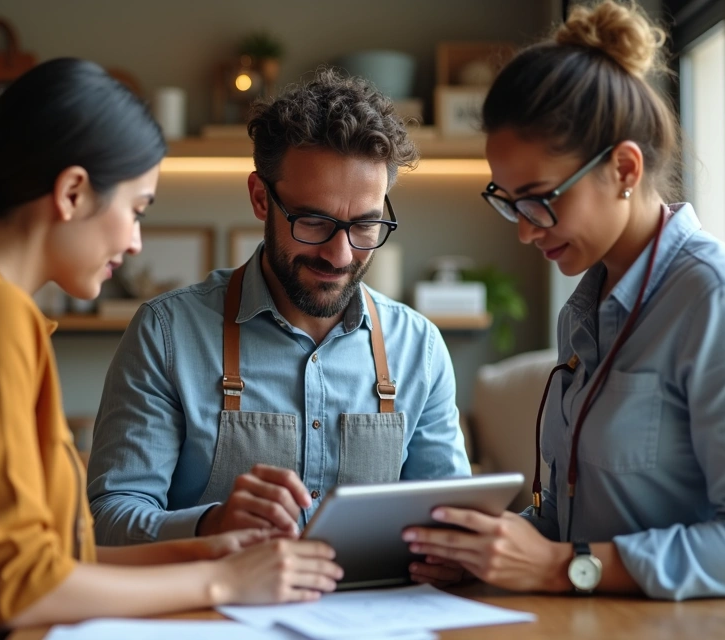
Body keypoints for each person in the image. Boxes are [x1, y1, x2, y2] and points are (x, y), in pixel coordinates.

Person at [0, 58, 342, 640]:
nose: (137, 242)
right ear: (72, 192)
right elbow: (16, 589)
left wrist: (211, 557)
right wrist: (223, 585)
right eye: (137, 209)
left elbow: (55, 566)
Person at [401, 0, 725, 600]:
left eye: (540, 197)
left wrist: (555, 567)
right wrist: (487, 552)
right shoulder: (586, 310)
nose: (524, 227)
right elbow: (579, 531)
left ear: (623, 167)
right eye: (508, 200)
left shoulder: (724, 301)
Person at [87, 70, 471, 576]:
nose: (340, 254)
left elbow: (454, 522)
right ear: (261, 199)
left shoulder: (418, 347)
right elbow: (107, 524)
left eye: (365, 225)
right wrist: (211, 525)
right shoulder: (167, 334)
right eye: (314, 221)